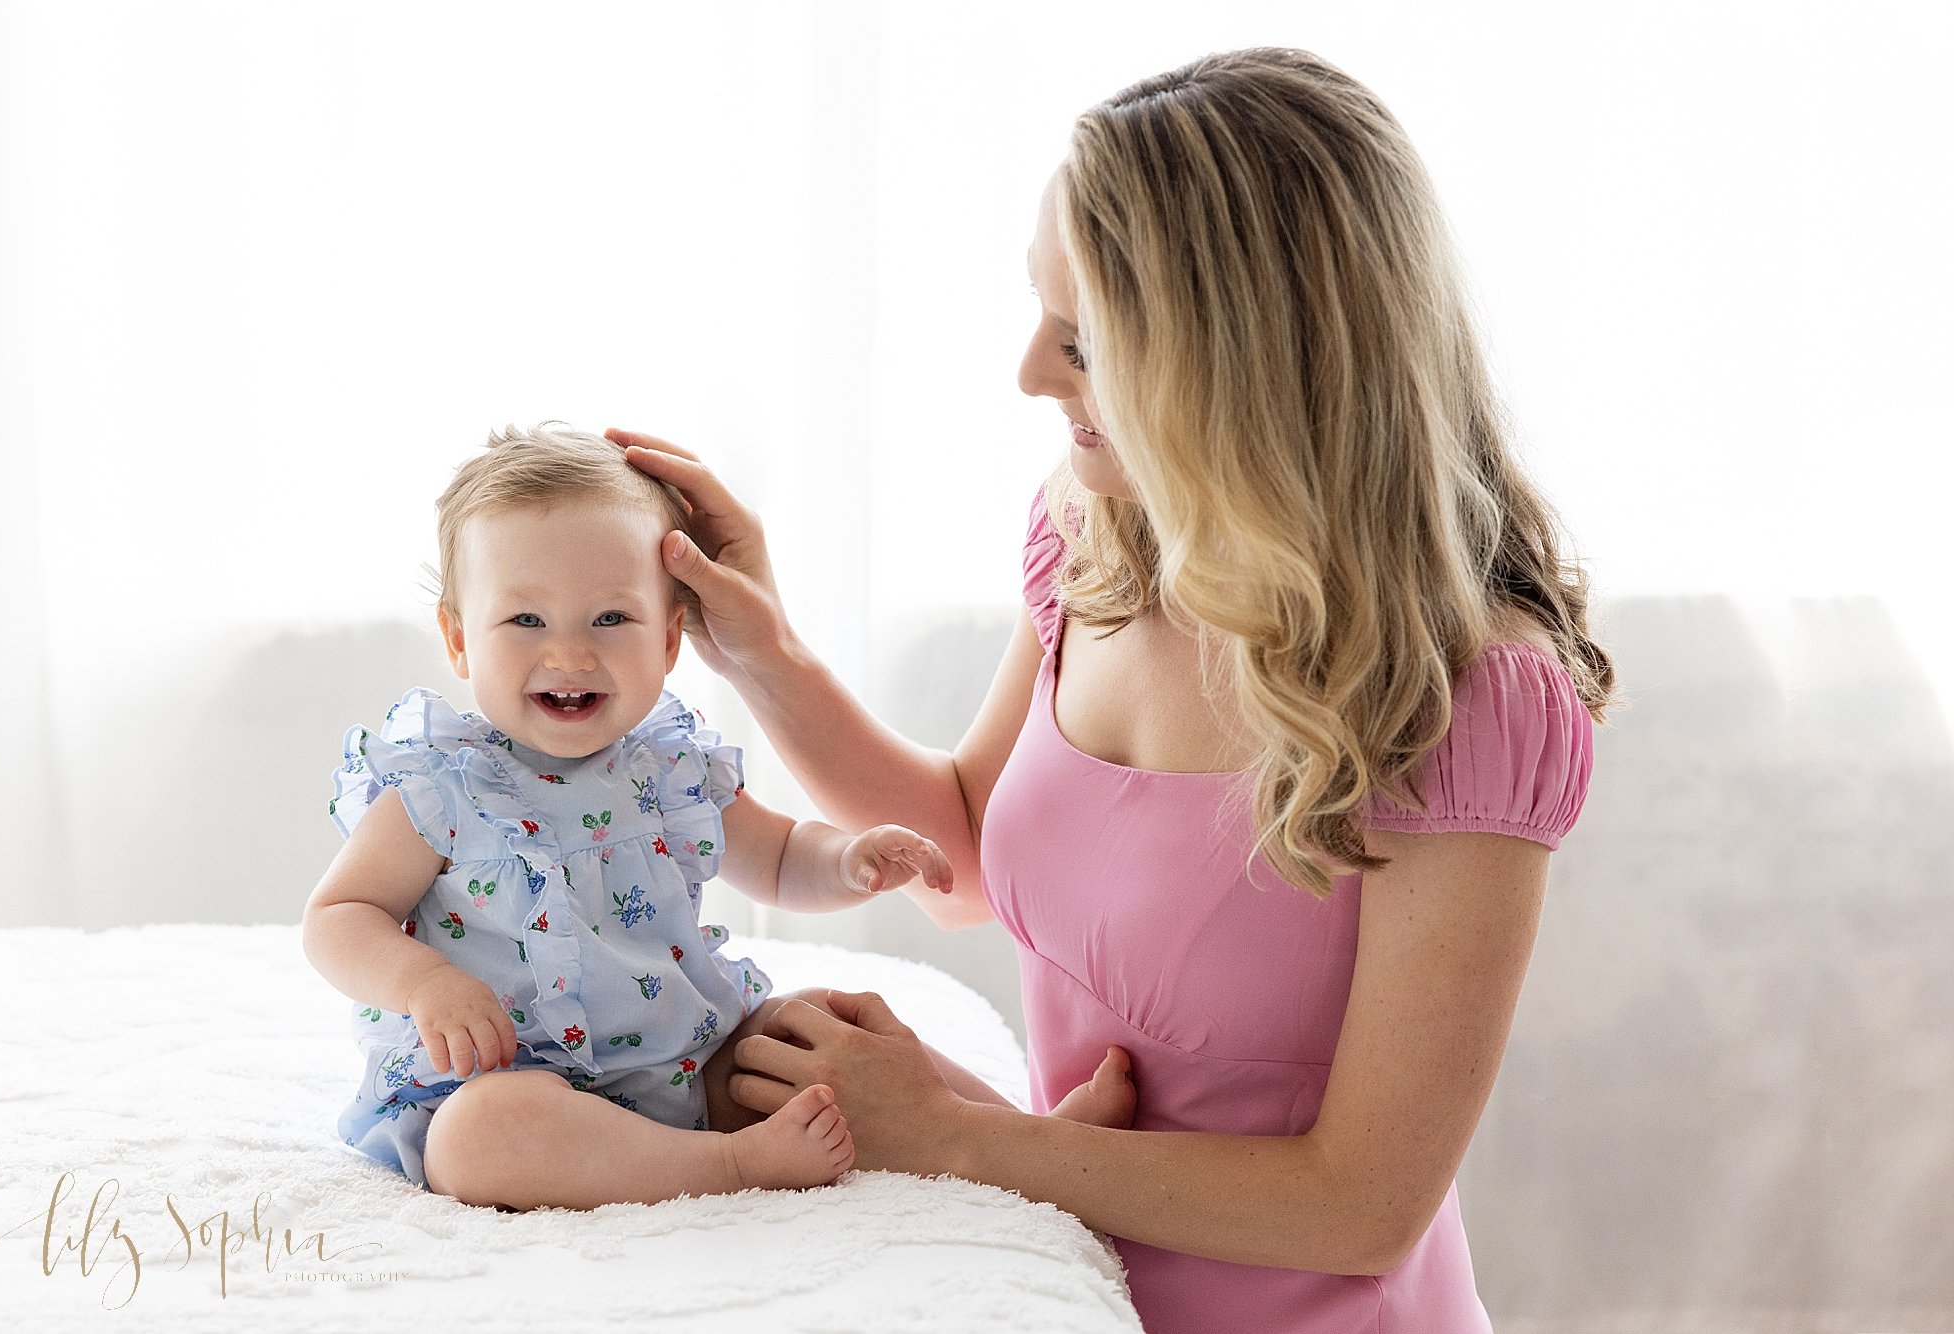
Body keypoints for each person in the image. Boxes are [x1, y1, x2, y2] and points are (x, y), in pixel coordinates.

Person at [607, 46, 1614, 1334]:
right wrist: (762, 650)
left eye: (1083, 342)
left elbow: (1361, 1204)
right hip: (1066, 1285)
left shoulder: (1470, 697)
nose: (1030, 371)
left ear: (1239, 362)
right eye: (1039, 311)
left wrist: (955, 1130)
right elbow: (964, 857)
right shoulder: (1100, 534)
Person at [301, 422, 971, 1211]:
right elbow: (338, 916)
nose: (572, 655)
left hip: (689, 1062)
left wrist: (851, 859)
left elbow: (782, 857)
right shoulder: (443, 787)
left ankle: (1004, 1125)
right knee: (477, 1137)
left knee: (812, 1027)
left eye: (611, 620)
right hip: (515, 1076)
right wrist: (423, 984)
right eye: (526, 622)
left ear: (669, 641)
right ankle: (724, 1167)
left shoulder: (670, 766)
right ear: (457, 638)